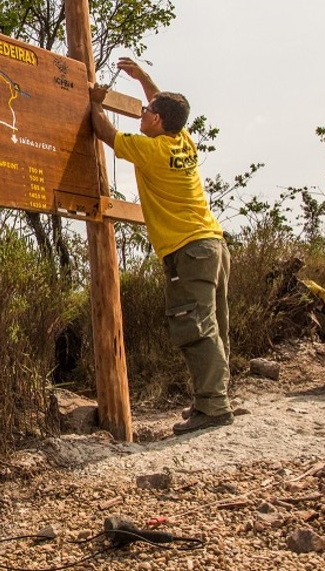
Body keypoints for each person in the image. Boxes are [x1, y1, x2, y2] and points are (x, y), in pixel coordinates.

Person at [88, 57, 233, 436]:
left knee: (195, 327)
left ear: (156, 122)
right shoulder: (180, 139)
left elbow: (104, 131)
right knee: (213, 325)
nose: (142, 111)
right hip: (212, 245)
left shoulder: (152, 151)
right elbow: (163, 105)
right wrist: (144, 79)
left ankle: (214, 407)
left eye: (146, 110)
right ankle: (212, 399)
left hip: (190, 250)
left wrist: (93, 100)